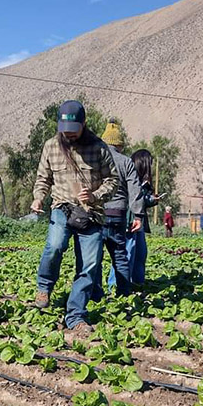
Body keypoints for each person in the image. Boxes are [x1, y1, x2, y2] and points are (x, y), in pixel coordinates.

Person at [30, 100, 118, 332]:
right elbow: (43, 178)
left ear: (84, 124)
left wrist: (96, 194)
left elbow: (113, 180)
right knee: (55, 246)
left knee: (89, 265)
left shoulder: (99, 148)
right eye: (64, 130)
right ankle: (44, 287)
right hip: (62, 207)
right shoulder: (51, 146)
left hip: (91, 213)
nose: (68, 135)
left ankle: (76, 315)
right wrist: (39, 197)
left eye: (73, 130)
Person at [87, 119, 143, 298]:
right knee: (119, 255)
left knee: (95, 256)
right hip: (118, 215)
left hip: (97, 214)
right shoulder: (126, 162)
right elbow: (135, 190)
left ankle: (96, 294)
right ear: (119, 144)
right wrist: (138, 215)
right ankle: (124, 293)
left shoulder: (94, 160)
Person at [121, 149, 160, 285]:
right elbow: (133, 199)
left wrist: (152, 199)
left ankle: (137, 284)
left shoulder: (144, 182)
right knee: (126, 255)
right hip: (130, 221)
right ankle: (118, 287)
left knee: (140, 255)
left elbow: (141, 201)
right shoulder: (130, 177)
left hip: (140, 221)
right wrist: (147, 197)